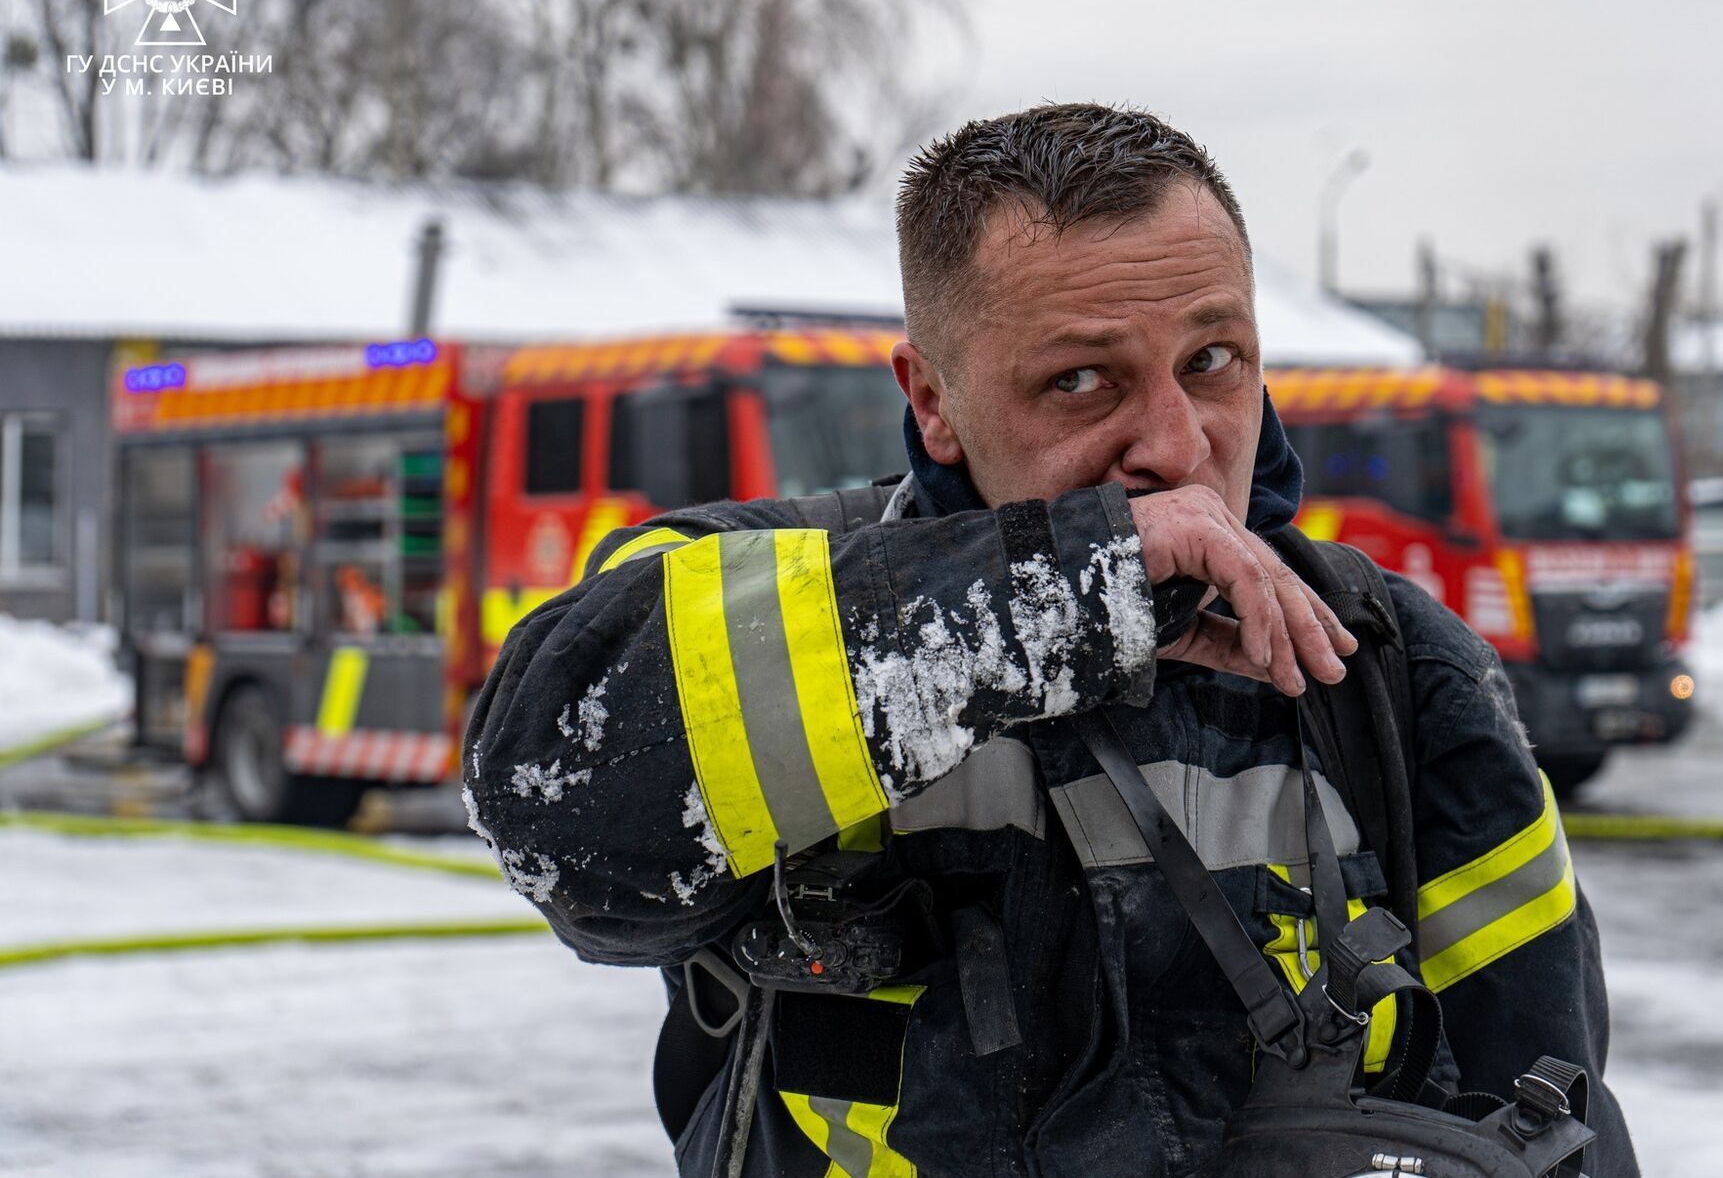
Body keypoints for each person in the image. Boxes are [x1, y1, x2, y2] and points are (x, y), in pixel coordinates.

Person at [463, 103, 1639, 1177]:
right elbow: (548, 790)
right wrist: (1062, 596)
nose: (1177, 446)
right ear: (930, 398)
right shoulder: (782, 593)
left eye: (1211, 362)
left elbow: (1550, 1119)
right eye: (1083, 380)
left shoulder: (1383, 668)